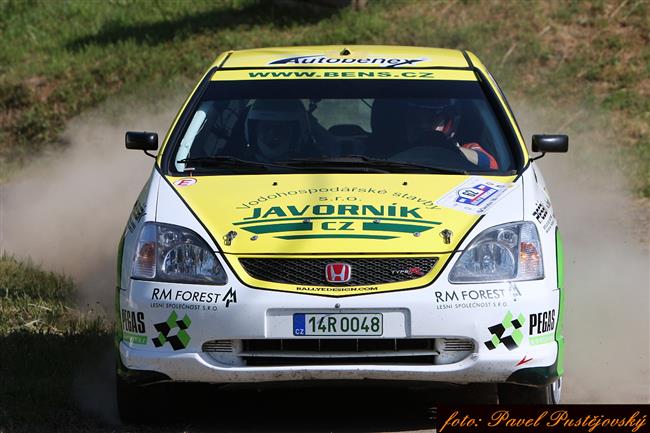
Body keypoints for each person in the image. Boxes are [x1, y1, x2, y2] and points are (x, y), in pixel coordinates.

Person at [405, 99, 499, 169]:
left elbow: (490, 165)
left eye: (432, 120)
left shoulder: (468, 149)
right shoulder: (393, 150)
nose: (424, 125)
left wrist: (449, 148)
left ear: (450, 123)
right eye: (416, 120)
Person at [244, 99, 313, 161]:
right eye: (266, 128)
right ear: (253, 131)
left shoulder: (319, 164)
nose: (272, 134)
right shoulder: (237, 164)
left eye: (280, 128)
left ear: (296, 133)